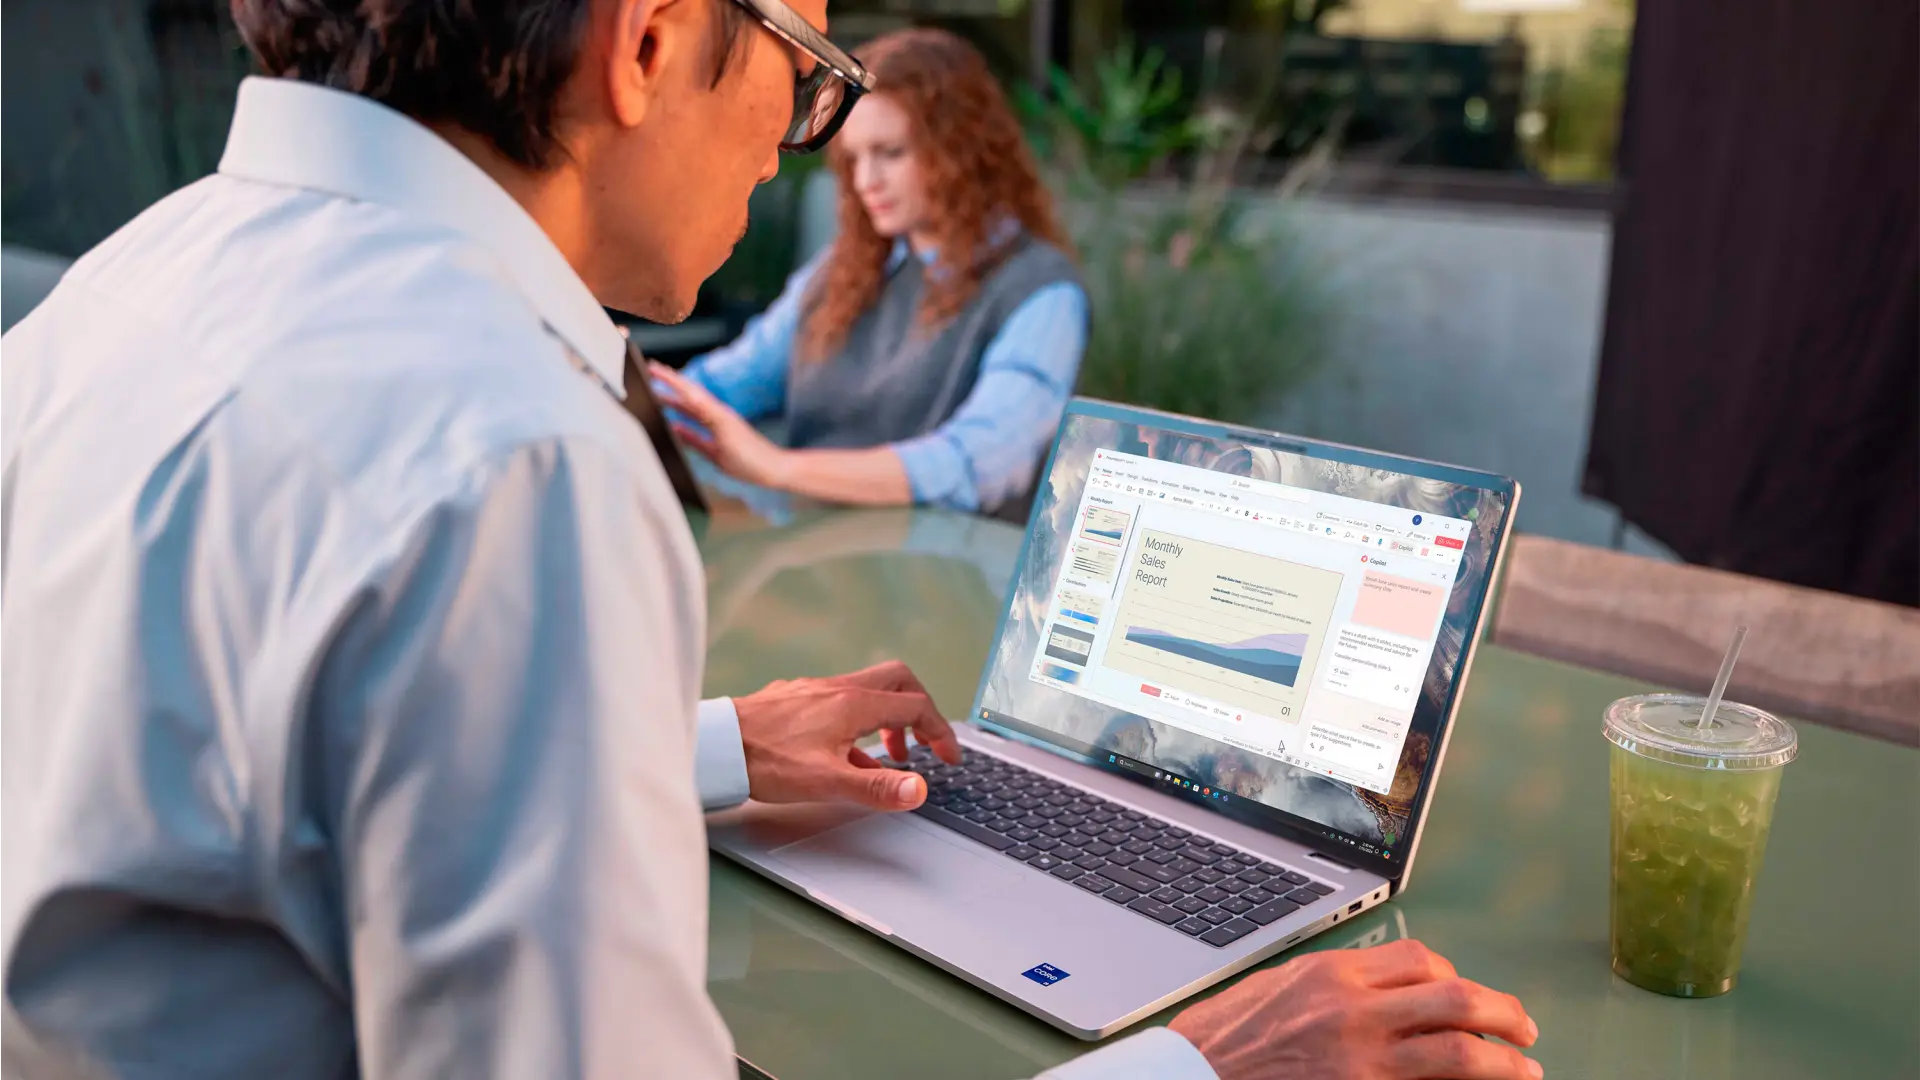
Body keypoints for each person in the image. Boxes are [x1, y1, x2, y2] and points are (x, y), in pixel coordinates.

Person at [0, 2, 1543, 1078]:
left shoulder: (116, 294)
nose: (804, 144)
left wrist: (704, 747)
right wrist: (1198, 1072)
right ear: (653, 37)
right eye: (808, 67)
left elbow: (236, 764)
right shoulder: (513, 455)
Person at [651, 27, 1085, 522]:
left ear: (963, 150)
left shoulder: (1041, 290)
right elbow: (729, 383)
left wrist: (779, 468)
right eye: (853, 159)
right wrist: (633, 397)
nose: (865, 181)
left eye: (891, 153)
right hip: (814, 561)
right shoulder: (844, 269)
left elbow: (980, 462)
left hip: (947, 581)